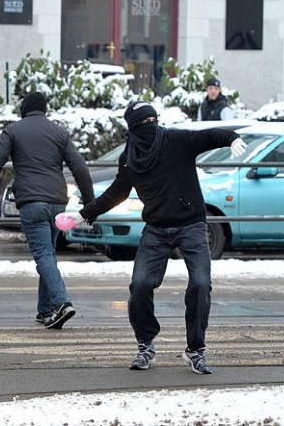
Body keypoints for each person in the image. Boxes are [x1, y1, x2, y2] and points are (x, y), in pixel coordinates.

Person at [66, 102, 247, 374]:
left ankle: (195, 350)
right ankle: (146, 345)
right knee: (139, 285)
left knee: (200, 283)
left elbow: (207, 136)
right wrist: (85, 214)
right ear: (133, 128)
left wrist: (231, 138)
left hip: (191, 224)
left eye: (153, 119)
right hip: (157, 228)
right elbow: (118, 192)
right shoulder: (130, 157)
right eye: (144, 122)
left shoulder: (174, 140)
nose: (150, 125)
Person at [0, 92, 95, 330]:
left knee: (43, 255)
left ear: (23, 109)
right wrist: (90, 203)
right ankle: (45, 309)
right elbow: (80, 167)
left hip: (31, 201)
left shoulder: (14, 130)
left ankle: (61, 303)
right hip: (58, 202)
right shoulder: (59, 133)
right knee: (47, 253)